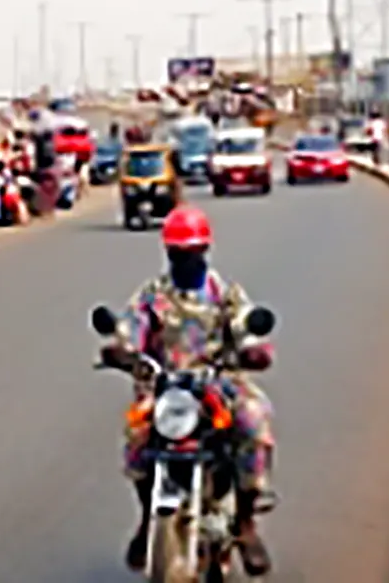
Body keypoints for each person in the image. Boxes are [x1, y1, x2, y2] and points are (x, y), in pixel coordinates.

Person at [108, 207, 276, 575]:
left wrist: (252, 350)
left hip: (218, 383)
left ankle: (246, 524)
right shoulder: (152, 297)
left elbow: (245, 327)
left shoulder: (225, 294)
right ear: (167, 253)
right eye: (177, 253)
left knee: (254, 422)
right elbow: (131, 330)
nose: (185, 260)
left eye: (192, 251)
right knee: (137, 434)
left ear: (205, 250)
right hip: (166, 387)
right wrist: (122, 351)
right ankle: (146, 519)